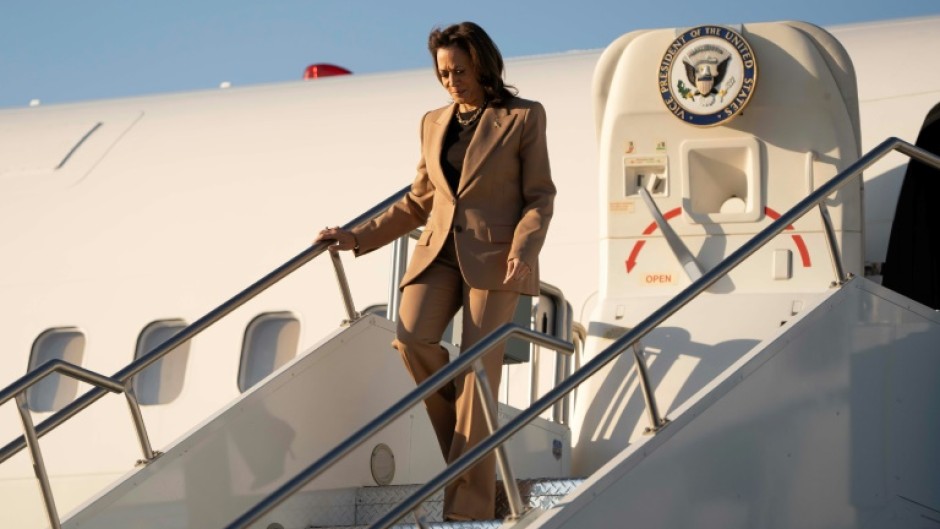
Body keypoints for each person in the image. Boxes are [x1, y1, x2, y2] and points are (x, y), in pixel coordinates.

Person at [316, 21, 555, 521]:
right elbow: (418, 200)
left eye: (460, 71)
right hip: (438, 251)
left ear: (483, 66)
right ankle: (476, 469)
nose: (451, 81)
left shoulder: (522, 117)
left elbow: (539, 197)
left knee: (477, 373)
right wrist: (357, 237)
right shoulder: (432, 122)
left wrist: (524, 248)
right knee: (411, 338)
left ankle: (467, 508)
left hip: (496, 259)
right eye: (443, 73)